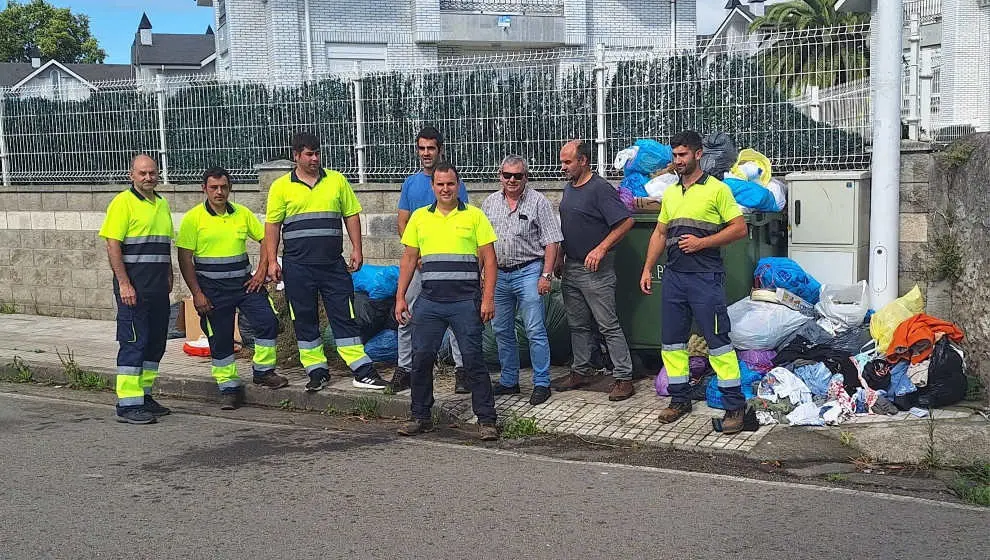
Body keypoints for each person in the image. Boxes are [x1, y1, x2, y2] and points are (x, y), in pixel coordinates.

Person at [639, 130, 749, 433]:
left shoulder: (717, 190)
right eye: (674, 156)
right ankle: (679, 400)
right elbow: (660, 233)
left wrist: (703, 243)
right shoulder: (672, 193)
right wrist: (647, 268)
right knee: (672, 344)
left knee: (719, 344)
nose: (677, 161)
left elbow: (740, 229)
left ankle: (734, 407)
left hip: (705, 278)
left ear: (698, 154)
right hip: (674, 278)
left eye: (682, 155)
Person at [264, 132, 389, 392]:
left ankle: (362, 370)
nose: (315, 158)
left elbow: (351, 215)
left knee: (345, 315)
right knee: (305, 318)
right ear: (296, 156)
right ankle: (316, 371)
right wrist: (271, 261)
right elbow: (272, 226)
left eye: (317, 153)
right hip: (297, 266)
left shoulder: (336, 181)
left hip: (332, 264)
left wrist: (357, 248)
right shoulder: (281, 187)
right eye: (309, 154)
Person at [394, 162, 499, 441]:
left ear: (458, 185)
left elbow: (490, 260)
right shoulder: (419, 218)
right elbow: (408, 259)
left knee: (473, 360)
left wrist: (488, 298)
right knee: (421, 359)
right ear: (433, 187)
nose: (445, 189)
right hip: (429, 302)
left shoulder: (475, 217)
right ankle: (420, 416)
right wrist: (400, 297)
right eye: (440, 184)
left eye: (450, 184)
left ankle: (486, 420)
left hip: (465, 301)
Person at [176, 167, 290, 410]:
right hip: (212, 289)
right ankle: (228, 387)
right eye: (214, 187)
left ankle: (264, 371)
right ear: (204, 189)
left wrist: (261, 271)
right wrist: (197, 294)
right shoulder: (193, 219)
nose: (219, 192)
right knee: (220, 338)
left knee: (268, 321)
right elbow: (185, 259)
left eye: (224, 187)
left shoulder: (242, 213)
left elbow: (265, 240)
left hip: (244, 284)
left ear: (230, 188)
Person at [554, 140, 636, 401]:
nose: (563, 167)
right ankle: (581, 370)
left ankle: (623, 377)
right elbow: (567, 227)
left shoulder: (600, 189)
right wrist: (559, 257)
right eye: (562, 161)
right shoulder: (569, 188)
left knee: (607, 324)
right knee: (577, 324)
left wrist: (600, 249)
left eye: (568, 162)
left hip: (596, 270)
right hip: (572, 267)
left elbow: (626, 222)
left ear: (583, 160)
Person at [392, 126, 470, 394]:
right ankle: (405, 369)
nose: (426, 153)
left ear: (440, 150)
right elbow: (403, 222)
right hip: (419, 266)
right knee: (406, 315)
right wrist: (419, 255)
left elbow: (464, 219)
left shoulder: (455, 182)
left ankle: (462, 372)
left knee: (457, 319)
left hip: (449, 268)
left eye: (431, 148)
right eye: (422, 148)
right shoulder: (411, 184)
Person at [98, 154, 174, 424]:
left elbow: (163, 245)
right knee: (134, 343)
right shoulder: (123, 203)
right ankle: (128, 405)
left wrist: (169, 273)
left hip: (157, 290)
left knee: (156, 344)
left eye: (152, 173)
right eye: (142, 173)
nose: (148, 177)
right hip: (134, 289)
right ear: (132, 175)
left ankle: (144, 396)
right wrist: (124, 283)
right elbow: (112, 245)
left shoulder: (162, 204)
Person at [481, 155, 562, 406]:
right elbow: (483, 244)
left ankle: (541, 383)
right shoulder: (489, 204)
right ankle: (509, 380)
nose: (512, 180)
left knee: (535, 329)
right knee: (502, 330)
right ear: (500, 175)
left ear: (526, 177)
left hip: (529, 271)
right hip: (500, 274)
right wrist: (482, 275)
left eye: (518, 175)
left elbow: (552, 241)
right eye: (507, 175)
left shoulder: (538, 202)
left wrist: (546, 275)